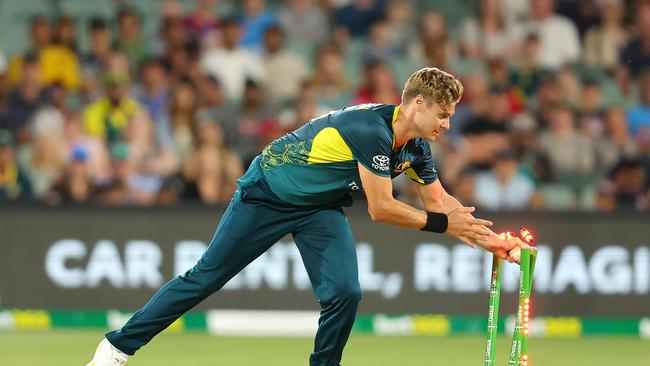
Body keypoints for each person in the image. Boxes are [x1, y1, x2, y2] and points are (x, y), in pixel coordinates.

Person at [86, 67, 528, 366]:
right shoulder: (370, 130)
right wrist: (444, 226)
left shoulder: (415, 148)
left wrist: (495, 241)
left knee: (345, 292)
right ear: (415, 104)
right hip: (266, 194)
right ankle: (115, 349)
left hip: (318, 207)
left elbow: (441, 203)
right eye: (443, 114)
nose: (447, 124)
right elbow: (381, 208)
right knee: (204, 278)